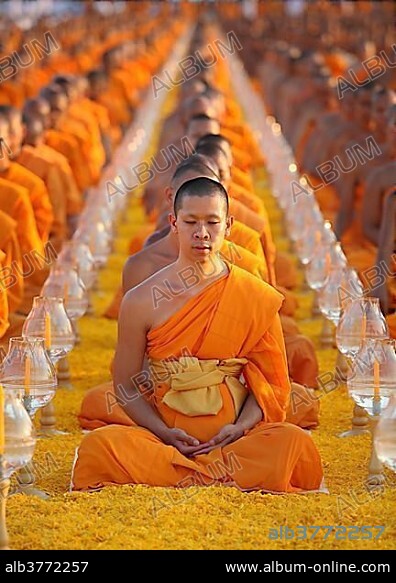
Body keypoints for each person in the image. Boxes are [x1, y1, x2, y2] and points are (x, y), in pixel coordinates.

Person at [72, 177, 323, 492]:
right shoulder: (141, 299)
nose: (201, 233)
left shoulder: (254, 294)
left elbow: (269, 383)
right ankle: (208, 473)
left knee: (294, 443)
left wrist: (240, 427)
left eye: (212, 222)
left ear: (228, 225)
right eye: (190, 221)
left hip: (233, 440)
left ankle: (183, 474)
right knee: (99, 447)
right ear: (173, 223)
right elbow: (125, 385)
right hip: (165, 437)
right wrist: (164, 433)